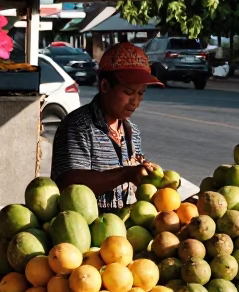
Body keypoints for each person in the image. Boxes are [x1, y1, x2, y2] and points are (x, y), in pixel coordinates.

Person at [51, 42, 162, 211]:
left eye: (141, 93)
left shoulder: (133, 132)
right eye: (129, 92)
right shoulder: (78, 126)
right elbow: (68, 184)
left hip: (122, 232)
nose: (136, 101)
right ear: (104, 86)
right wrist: (126, 174)